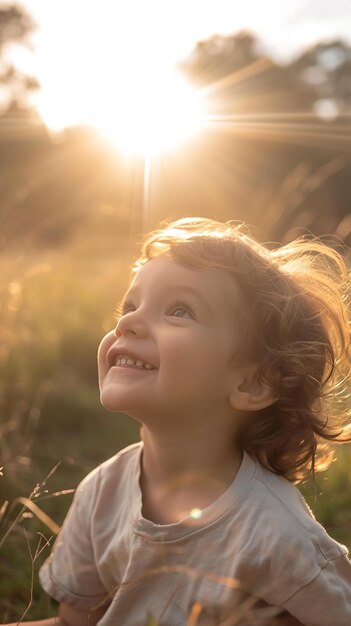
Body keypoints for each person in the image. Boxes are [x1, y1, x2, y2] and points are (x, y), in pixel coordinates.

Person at [4, 217, 351, 626]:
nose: (125, 323)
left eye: (180, 310)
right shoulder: (102, 490)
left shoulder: (278, 533)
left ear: (254, 383)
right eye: (130, 306)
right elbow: (73, 622)